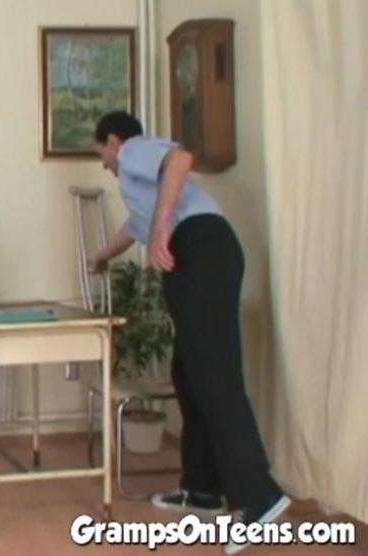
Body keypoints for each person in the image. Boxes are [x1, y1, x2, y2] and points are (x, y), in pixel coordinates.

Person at [89, 111, 289, 555]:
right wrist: (103, 255)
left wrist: (162, 225)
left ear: (115, 142)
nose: (102, 162)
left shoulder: (135, 151)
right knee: (190, 373)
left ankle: (261, 498)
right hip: (196, 255)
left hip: (202, 251)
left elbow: (180, 159)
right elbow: (134, 228)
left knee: (214, 376)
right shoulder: (141, 187)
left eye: (100, 150)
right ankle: (202, 490)